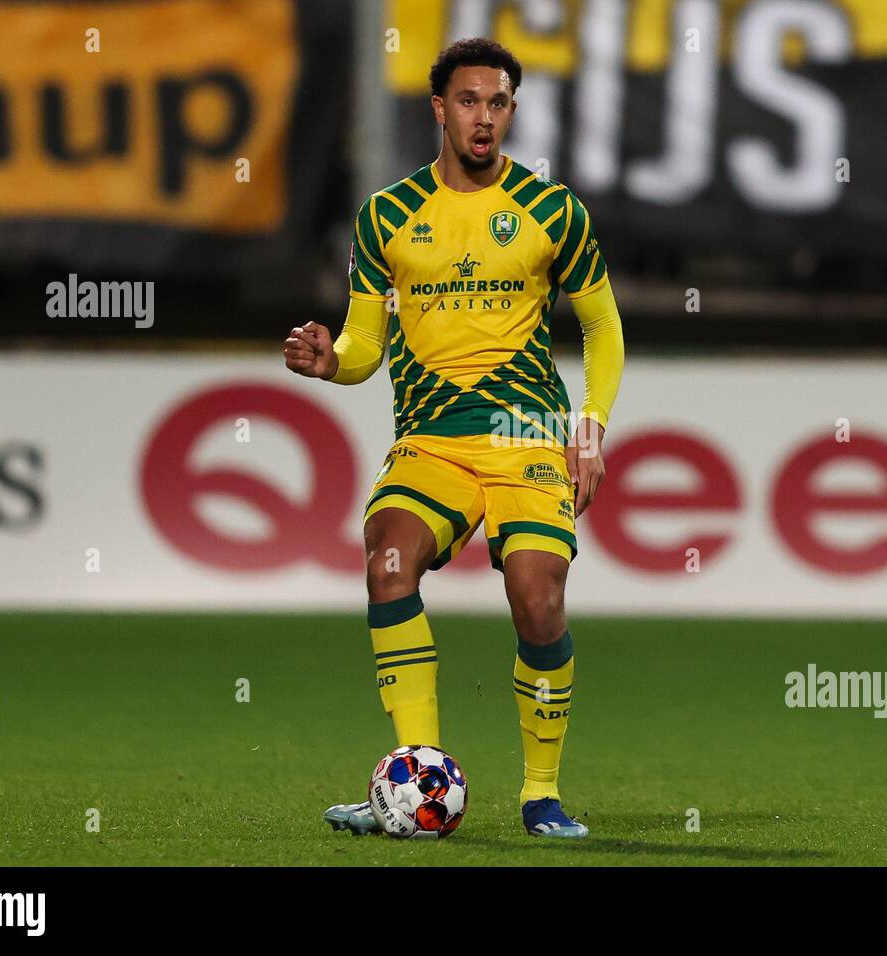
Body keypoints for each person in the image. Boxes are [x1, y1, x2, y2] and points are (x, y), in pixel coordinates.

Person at [284, 37, 624, 838]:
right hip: (431, 443)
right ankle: (414, 781)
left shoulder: (552, 210)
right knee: (387, 562)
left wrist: (590, 429)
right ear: (439, 108)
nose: (484, 117)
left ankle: (540, 794)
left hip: (527, 436)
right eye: (468, 101)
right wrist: (333, 358)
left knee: (538, 599)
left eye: (498, 102)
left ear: (512, 110)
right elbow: (366, 346)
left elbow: (603, 325)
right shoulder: (387, 216)